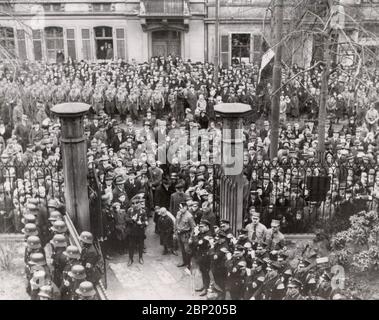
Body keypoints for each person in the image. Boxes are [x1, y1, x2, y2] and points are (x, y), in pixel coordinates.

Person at [190, 219, 212, 296]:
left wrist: (196, 235)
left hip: (206, 257)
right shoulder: (202, 233)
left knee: (206, 273)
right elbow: (194, 243)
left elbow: (198, 243)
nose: (200, 228)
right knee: (203, 272)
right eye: (200, 227)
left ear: (207, 227)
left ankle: (206, 288)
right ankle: (204, 286)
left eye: (202, 227)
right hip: (201, 256)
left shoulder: (208, 235)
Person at [126, 195, 148, 265]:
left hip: (140, 231)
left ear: (139, 203)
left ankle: (140, 257)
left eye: (136, 203)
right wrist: (132, 219)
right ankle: (130, 259)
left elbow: (146, 221)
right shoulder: (129, 210)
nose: (135, 205)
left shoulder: (143, 211)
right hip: (131, 231)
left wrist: (141, 223)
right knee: (131, 245)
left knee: (140, 245)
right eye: (133, 203)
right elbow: (126, 219)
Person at [174, 201, 196, 269]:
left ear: (185, 207)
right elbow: (176, 223)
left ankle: (188, 265)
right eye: (179, 208)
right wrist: (175, 232)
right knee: (182, 249)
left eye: (181, 208)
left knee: (187, 250)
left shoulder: (189, 216)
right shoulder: (178, 213)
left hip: (186, 235)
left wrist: (191, 238)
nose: (180, 209)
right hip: (179, 234)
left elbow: (193, 227)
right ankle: (184, 262)